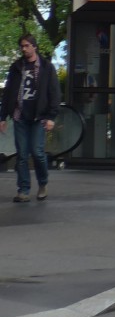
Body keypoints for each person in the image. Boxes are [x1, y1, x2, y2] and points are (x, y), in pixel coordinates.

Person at [0, 34, 61, 203]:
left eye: (27, 45)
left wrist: (51, 116)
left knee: (37, 152)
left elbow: (54, 93)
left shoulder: (47, 67)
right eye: (22, 46)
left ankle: (43, 183)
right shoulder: (16, 67)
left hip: (38, 117)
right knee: (22, 154)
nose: (24, 49)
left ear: (34, 46)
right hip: (20, 116)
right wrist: (3, 116)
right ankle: (23, 190)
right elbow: (8, 92)